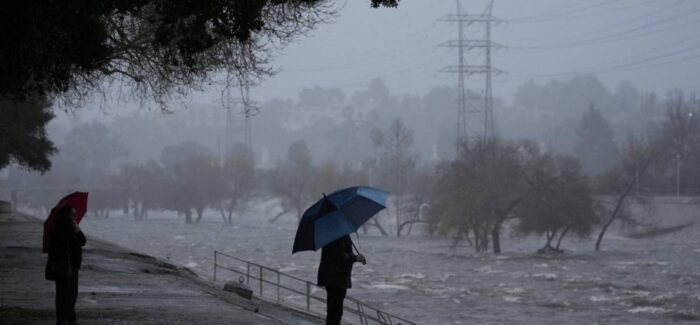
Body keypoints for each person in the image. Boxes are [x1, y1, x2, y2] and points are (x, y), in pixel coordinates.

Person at [48, 205, 86, 325]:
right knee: (65, 293)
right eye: (73, 214)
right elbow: (80, 242)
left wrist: (77, 230)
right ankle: (64, 319)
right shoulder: (64, 226)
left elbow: (81, 241)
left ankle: (68, 318)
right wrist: (76, 231)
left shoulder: (68, 225)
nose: (75, 216)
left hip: (70, 265)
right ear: (67, 215)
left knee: (68, 293)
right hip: (65, 265)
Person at [317, 234, 366, 325]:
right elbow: (338, 256)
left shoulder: (334, 234)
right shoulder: (336, 236)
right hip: (336, 279)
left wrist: (355, 257)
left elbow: (341, 254)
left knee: (335, 311)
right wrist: (355, 258)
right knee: (335, 311)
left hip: (335, 278)